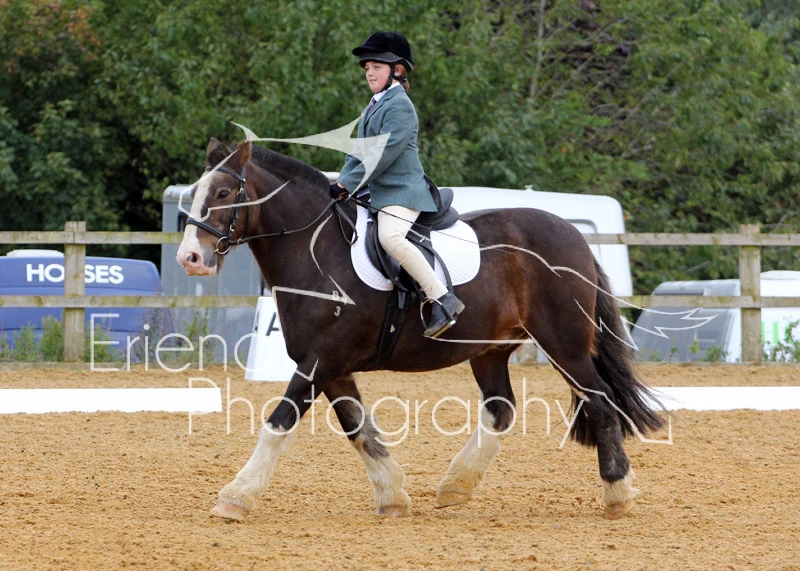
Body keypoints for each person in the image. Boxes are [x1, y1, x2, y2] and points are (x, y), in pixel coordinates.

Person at [330, 31, 464, 338]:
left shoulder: (400, 106)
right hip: (378, 192)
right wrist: (340, 183)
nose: (369, 73)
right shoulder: (374, 106)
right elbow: (359, 152)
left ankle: (442, 298)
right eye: (367, 68)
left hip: (403, 192)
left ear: (397, 70)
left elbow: (382, 153)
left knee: (390, 238)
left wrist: (348, 183)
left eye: (376, 66)